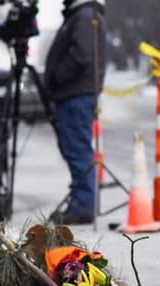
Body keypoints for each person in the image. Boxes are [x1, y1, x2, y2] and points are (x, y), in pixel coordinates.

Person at [45, 0, 106, 225]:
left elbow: (82, 55)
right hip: (76, 94)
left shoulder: (83, 15)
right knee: (76, 149)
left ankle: (82, 206)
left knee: (78, 150)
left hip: (76, 95)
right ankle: (81, 203)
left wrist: (56, 77)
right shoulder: (82, 15)